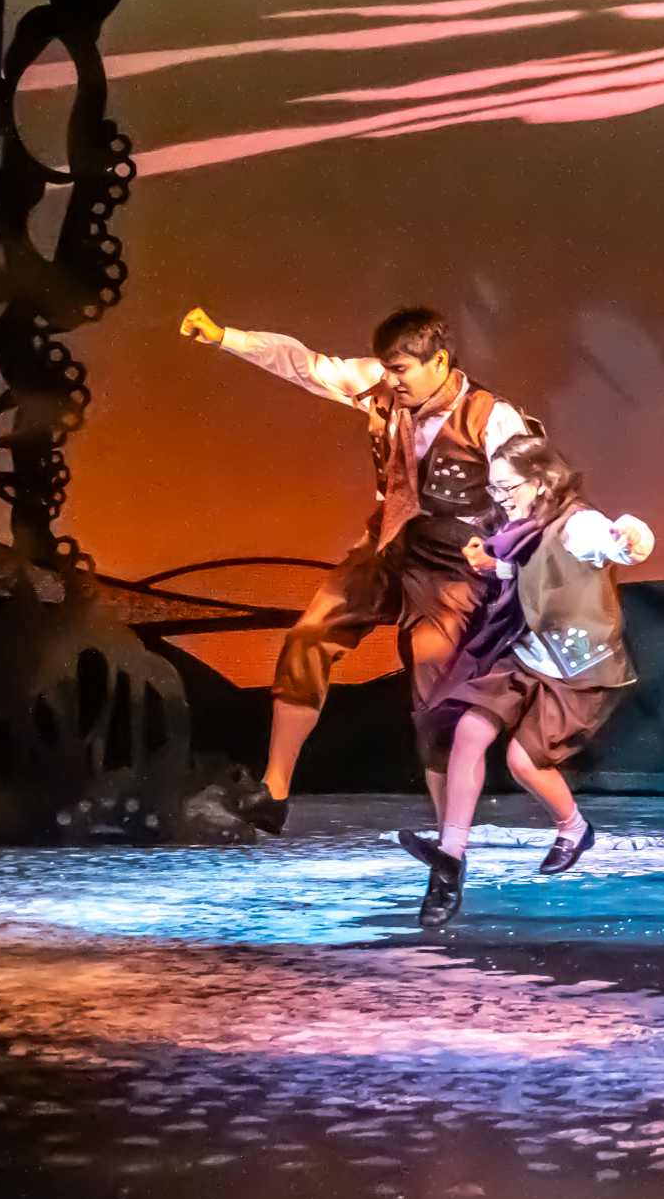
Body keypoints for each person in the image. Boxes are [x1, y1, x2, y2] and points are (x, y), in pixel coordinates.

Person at [179, 304, 525, 835]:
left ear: (439, 361)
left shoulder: (490, 418)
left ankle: (450, 838)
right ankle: (274, 793)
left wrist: (508, 568)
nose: (392, 380)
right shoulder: (379, 385)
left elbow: (528, 502)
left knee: (435, 697)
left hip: (453, 562)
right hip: (387, 543)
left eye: (402, 370)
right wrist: (226, 336)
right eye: (387, 368)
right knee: (308, 637)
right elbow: (303, 364)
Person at [398, 436, 652, 928]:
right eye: (494, 489)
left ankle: (573, 828)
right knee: (470, 731)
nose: (500, 497)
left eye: (507, 487)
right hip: (526, 655)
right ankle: (449, 862)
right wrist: (493, 566)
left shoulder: (578, 525)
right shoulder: (521, 530)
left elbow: (618, 545)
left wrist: (630, 537)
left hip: (577, 670)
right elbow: (529, 571)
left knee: (522, 763)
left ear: (541, 481)